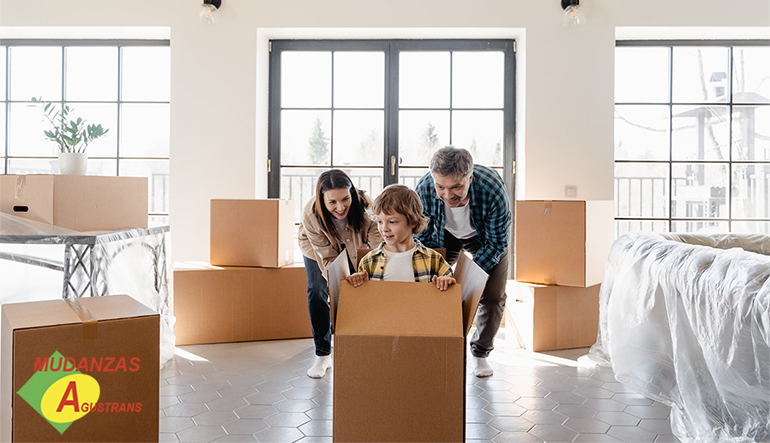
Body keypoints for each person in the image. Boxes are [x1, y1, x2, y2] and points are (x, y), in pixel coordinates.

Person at [415, 146, 511, 377]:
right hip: (443, 235)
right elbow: (422, 237)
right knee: (432, 288)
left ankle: (480, 353)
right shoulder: (424, 188)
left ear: (470, 177)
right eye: (441, 187)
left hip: (484, 238)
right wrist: (437, 272)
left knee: (492, 295)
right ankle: (438, 347)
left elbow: (496, 243)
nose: (448, 195)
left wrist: (468, 281)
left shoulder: (492, 188)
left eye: (456, 186)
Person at [298, 169, 382, 378]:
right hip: (317, 248)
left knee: (360, 288)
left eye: (345, 199)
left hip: (357, 245)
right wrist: (342, 278)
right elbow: (327, 258)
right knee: (317, 289)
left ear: (352, 192)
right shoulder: (311, 214)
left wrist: (362, 273)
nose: (340, 207)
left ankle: (360, 343)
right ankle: (323, 353)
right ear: (322, 199)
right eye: (332, 202)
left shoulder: (368, 208)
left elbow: (376, 248)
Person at [346, 184, 456, 291]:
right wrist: (357, 283)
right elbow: (363, 300)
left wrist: (446, 281)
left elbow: (451, 286)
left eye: (392, 222)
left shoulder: (434, 260)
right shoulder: (368, 261)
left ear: (413, 221)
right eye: (379, 221)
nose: (384, 228)